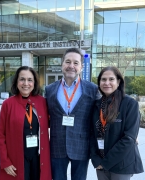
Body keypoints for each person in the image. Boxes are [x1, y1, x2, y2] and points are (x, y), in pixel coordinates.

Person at [45, 48, 100, 180]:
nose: (71, 66)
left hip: (81, 146)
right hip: (57, 146)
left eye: (76, 63)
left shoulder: (92, 89)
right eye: (68, 62)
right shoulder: (49, 89)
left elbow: (103, 114)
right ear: (62, 64)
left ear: (81, 67)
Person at [0, 66, 52, 180]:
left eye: (30, 80)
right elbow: (1, 135)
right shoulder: (8, 104)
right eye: (22, 79)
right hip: (16, 158)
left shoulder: (42, 102)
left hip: (38, 158)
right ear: (17, 81)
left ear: (34, 82)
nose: (26, 83)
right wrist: (5, 161)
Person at [90, 66, 144, 180]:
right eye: (103, 79)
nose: (107, 83)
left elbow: (129, 138)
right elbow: (91, 135)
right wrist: (96, 160)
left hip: (121, 164)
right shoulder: (96, 105)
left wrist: (106, 163)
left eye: (111, 79)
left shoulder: (129, 104)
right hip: (101, 164)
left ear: (118, 82)